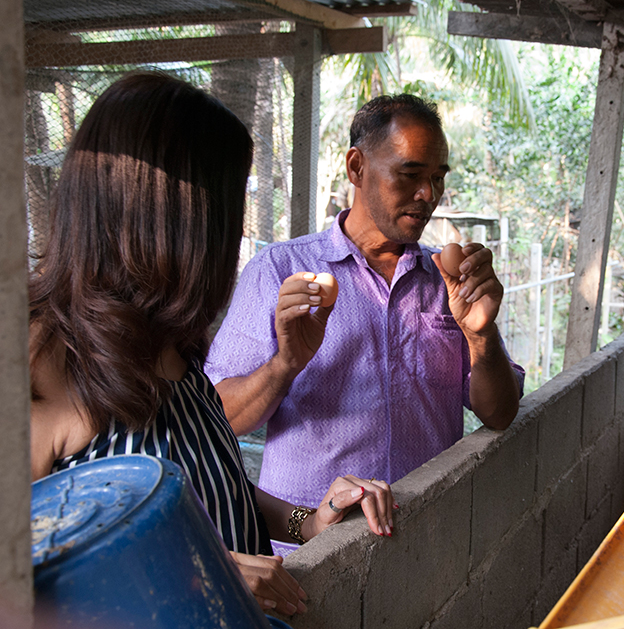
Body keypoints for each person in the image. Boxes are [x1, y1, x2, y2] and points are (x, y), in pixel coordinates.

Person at [28, 72, 393, 618]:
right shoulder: (44, 356)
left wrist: (309, 520)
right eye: (228, 204)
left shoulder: (171, 342)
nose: (235, 228)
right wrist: (191, 573)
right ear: (168, 216)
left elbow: (220, 491)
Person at [205, 94, 524, 553]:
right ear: (357, 167)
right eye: (410, 175)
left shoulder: (447, 281)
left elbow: (500, 413)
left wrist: (480, 334)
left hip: (425, 540)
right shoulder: (280, 271)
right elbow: (223, 418)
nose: (428, 196)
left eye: (436, 179)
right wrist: (284, 365)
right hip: (312, 549)